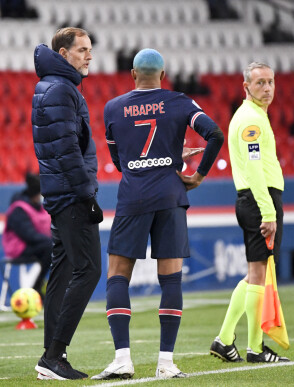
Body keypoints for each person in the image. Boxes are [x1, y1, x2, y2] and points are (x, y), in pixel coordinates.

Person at [92, 48, 224, 380]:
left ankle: (123, 358)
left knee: (118, 275)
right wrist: (197, 174)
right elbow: (215, 134)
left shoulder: (113, 108)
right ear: (163, 76)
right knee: (171, 279)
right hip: (170, 195)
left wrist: (148, 159)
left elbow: (119, 162)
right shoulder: (179, 101)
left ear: (133, 75)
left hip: (133, 196)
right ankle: (166, 363)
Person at [31, 27, 103, 381]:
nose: (89, 55)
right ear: (63, 54)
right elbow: (66, 149)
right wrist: (87, 193)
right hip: (72, 195)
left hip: (61, 194)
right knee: (89, 270)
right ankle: (55, 354)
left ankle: (50, 356)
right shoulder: (61, 90)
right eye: (82, 50)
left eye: (90, 49)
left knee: (61, 273)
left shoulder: (53, 87)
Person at [209, 62, 289, 363]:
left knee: (256, 273)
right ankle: (256, 348)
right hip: (260, 201)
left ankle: (225, 339)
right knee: (260, 275)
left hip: (256, 200)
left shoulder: (254, 116)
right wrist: (268, 212)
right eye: (260, 83)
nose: (267, 88)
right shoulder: (251, 121)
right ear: (246, 87)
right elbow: (255, 170)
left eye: (270, 82)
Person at [2, 173, 51, 298]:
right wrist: (50, 240)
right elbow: (29, 235)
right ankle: (37, 287)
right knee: (50, 246)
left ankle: (46, 288)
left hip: (38, 246)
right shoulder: (19, 209)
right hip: (19, 248)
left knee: (56, 247)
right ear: (36, 194)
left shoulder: (39, 207)